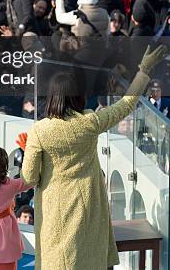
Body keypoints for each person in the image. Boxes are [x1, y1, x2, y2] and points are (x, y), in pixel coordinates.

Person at [20, 44, 167, 270]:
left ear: (51, 97)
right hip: (88, 207)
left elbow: (29, 176)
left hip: (54, 210)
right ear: (77, 96)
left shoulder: (40, 131)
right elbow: (126, 104)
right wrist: (144, 70)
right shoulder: (90, 122)